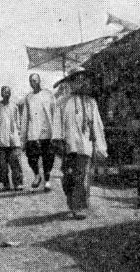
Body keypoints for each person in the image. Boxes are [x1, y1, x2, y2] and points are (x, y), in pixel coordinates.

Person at [52, 67, 108, 220]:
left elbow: (97, 125)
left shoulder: (91, 103)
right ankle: (74, 200)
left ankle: (79, 206)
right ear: (71, 83)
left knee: (82, 176)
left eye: (84, 80)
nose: (82, 83)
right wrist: (58, 141)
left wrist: (100, 147)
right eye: (78, 80)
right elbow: (57, 124)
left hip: (86, 146)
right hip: (69, 146)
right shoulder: (62, 102)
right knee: (69, 177)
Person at [21, 73, 56, 192]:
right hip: (33, 132)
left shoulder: (48, 94)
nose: (33, 83)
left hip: (46, 131)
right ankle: (37, 175)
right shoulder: (28, 97)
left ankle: (47, 181)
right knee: (32, 158)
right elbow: (25, 117)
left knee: (48, 158)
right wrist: (24, 137)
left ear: (39, 81)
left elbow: (54, 113)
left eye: (35, 80)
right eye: (31, 81)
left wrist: (56, 132)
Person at [0, 86, 24, 191]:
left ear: (10, 94)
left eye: (8, 92)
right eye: (4, 93)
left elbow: (18, 122)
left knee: (16, 162)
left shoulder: (14, 106)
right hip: (0, 139)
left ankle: (17, 183)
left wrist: (19, 134)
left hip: (13, 139)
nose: (6, 94)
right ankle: (6, 184)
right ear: (1, 94)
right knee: (2, 164)